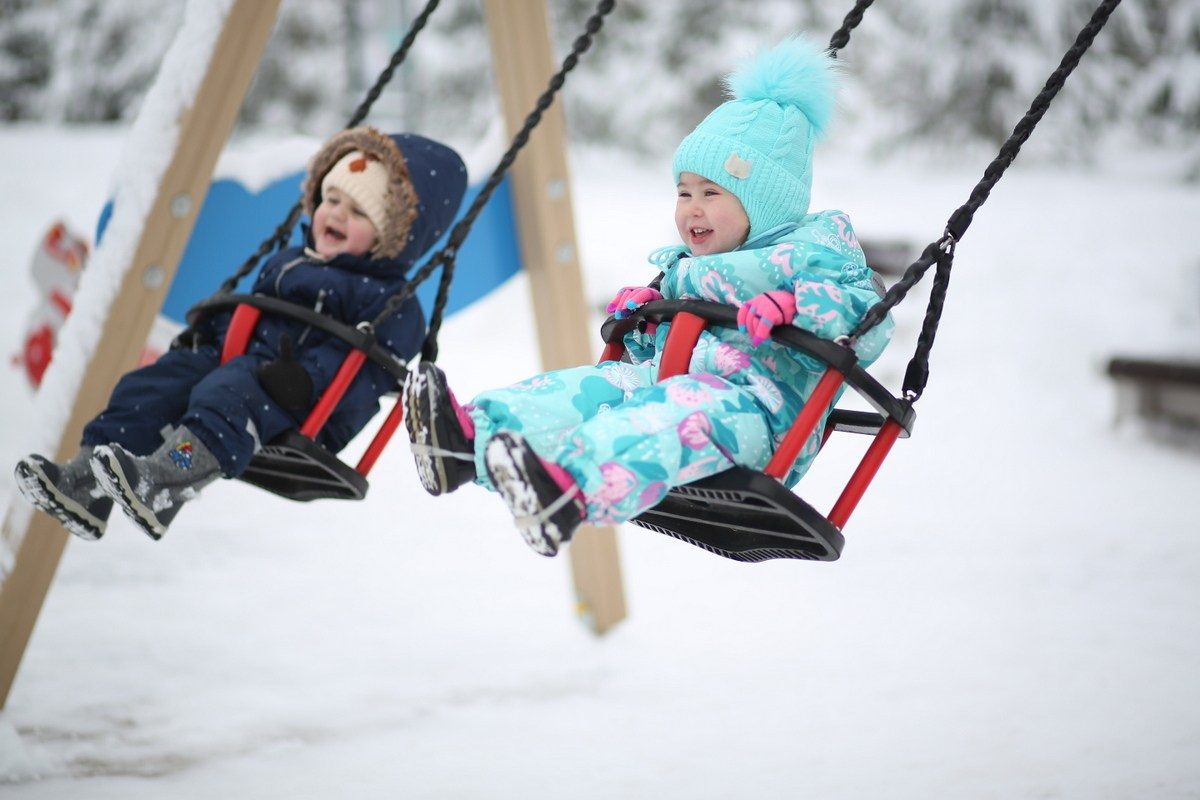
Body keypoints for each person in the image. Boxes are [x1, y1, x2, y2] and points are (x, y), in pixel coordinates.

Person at [406, 34, 894, 557]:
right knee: (593, 386)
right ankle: (467, 440)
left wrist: (796, 307)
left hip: (757, 413)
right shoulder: (686, 270)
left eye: (712, 194)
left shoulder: (814, 257)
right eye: (684, 193)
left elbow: (868, 321)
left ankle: (565, 487)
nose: (691, 209)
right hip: (670, 386)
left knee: (671, 411)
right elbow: (661, 351)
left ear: (768, 206)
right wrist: (647, 320)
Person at [15, 127, 467, 541]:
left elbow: (368, 371)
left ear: (392, 236)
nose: (336, 214)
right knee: (157, 380)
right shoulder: (291, 260)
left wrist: (306, 380)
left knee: (231, 389)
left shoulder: (391, 300)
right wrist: (206, 337)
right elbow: (250, 319)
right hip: (246, 373)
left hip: (309, 405)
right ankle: (84, 485)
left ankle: (167, 482)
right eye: (332, 199)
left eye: (357, 211)